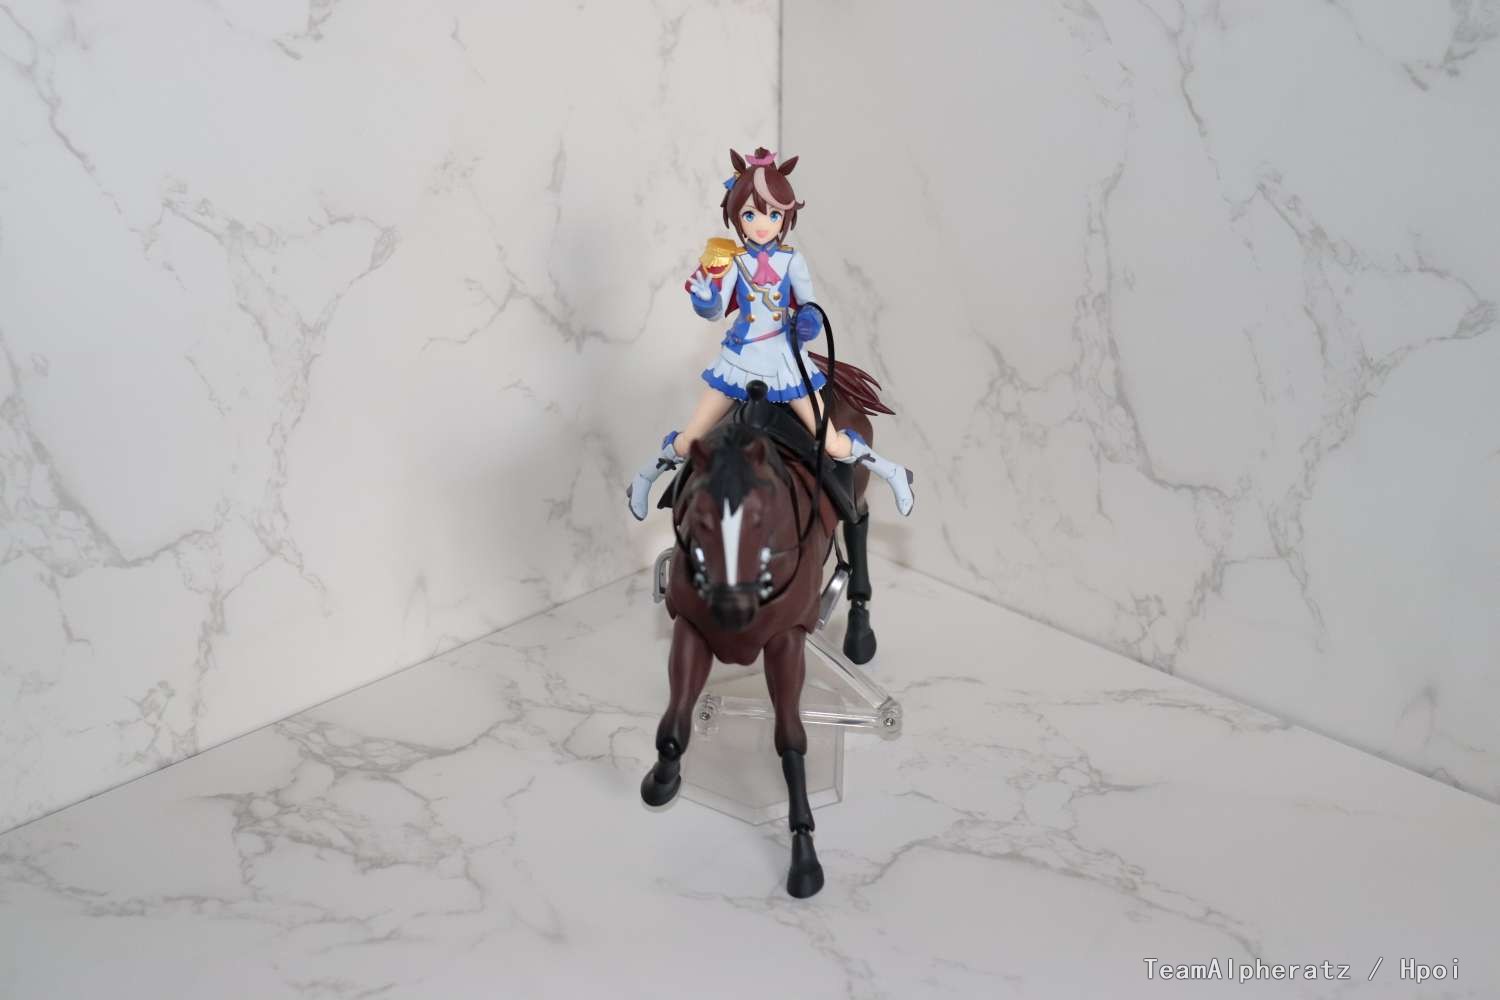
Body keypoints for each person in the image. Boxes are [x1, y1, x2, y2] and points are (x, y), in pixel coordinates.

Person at [626, 146, 915, 520]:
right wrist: (706, 299)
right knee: (691, 438)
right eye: (750, 214)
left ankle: (892, 473)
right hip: (739, 360)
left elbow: (809, 306)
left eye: (773, 214)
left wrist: (806, 324)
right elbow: (716, 310)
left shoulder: (792, 261)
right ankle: (644, 478)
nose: (762, 224)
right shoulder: (734, 261)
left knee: (831, 442)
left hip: (784, 363)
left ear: (786, 216)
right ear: (737, 217)